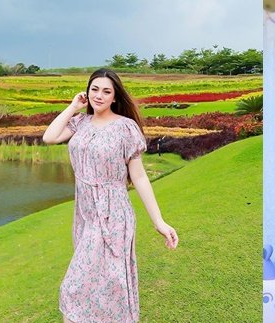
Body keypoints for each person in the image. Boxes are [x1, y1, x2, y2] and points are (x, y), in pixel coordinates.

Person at [42, 68, 179, 322]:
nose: (99, 95)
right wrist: (73, 107)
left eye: (106, 91)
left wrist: (159, 222)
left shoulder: (125, 128)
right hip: (85, 213)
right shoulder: (80, 122)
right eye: (94, 89)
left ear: (115, 97)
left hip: (114, 214)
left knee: (78, 287)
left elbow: (138, 177)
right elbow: (49, 137)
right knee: (95, 284)